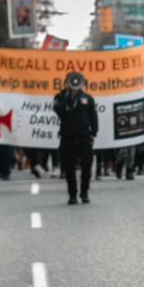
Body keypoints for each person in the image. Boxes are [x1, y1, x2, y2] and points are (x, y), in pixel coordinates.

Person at [53, 71, 98, 205]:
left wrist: (93, 133)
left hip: (84, 138)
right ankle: (72, 194)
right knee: (69, 168)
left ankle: (84, 192)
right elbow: (59, 111)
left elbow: (93, 117)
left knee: (86, 167)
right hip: (67, 138)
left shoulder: (88, 98)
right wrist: (69, 98)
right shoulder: (60, 97)